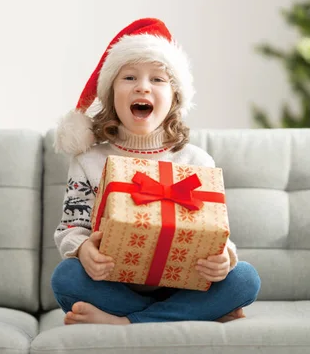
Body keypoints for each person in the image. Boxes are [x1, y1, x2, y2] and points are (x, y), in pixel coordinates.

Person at [51, 17, 261, 325]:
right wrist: (83, 250)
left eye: (158, 79)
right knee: (66, 277)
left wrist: (224, 259)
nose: (143, 86)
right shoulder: (88, 160)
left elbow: (216, 232)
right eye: (129, 77)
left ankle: (125, 322)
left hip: (183, 285)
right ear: (110, 94)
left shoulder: (197, 160)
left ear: (176, 97)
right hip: (115, 285)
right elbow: (70, 228)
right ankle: (186, 317)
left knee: (245, 278)